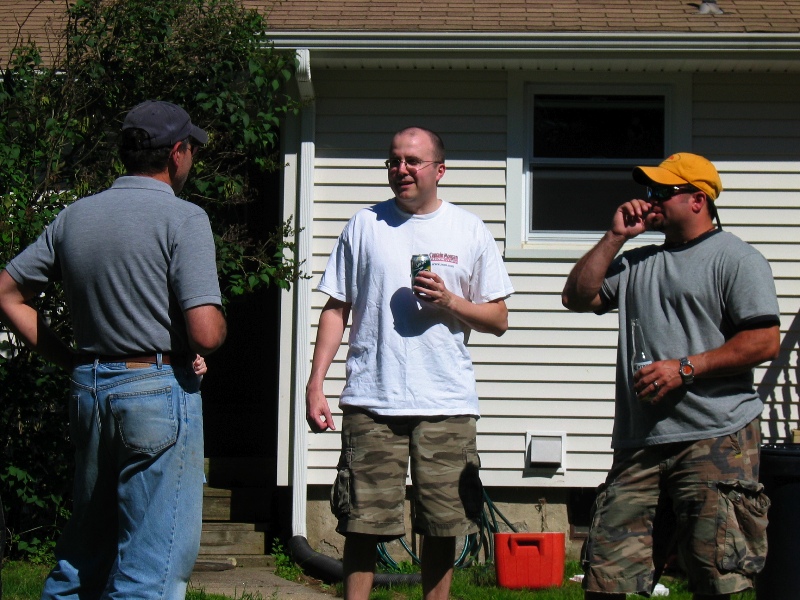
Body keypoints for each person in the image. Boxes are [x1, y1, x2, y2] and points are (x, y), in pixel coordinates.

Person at [0, 100, 227, 600]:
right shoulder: (184, 218)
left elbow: (6, 293)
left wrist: (71, 359)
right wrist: (210, 331)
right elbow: (206, 332)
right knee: (152, 568)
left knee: (83, 557)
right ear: (177, 152)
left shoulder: (75, 216)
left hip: (90, 392)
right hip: (155, 395)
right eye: (191, 149)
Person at [305, 126, 514, 600]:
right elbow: (337, 308)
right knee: (361, 523)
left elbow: (499, 319)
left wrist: (451, 302)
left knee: (442, 525)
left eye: (413, 161)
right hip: (372, 399)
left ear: (439, 170)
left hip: (445, 401)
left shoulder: (468, 229)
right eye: (394, 160)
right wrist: (315, 384)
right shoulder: (364, 225)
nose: (401, 169)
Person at [562, 152, 780, 599]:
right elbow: (577, 297)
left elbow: (764, 342)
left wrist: (686, 368)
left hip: (716, 438)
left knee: (719, 577)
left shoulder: (736, 259)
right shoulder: (638, 262)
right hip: (641, 443)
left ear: (698, 200)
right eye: (650, 191)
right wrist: (614, 236)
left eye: (664, 192)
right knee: (607, 578)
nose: (651, 200)